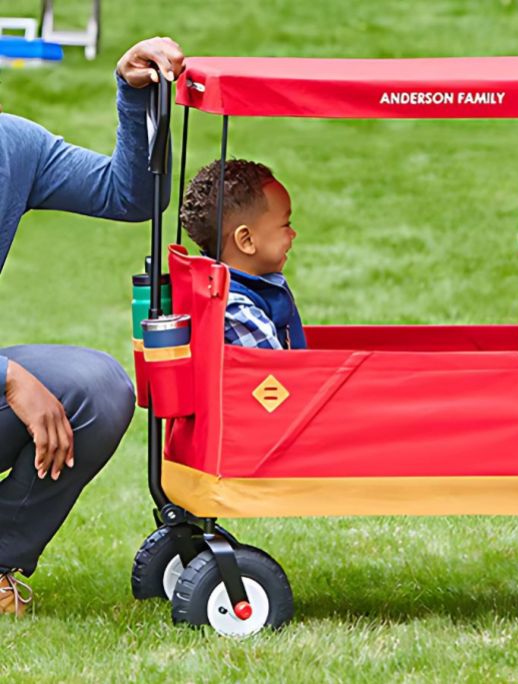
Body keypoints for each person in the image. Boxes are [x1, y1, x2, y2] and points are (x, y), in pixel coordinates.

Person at [0, 37, 186, 616]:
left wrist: (135, 97)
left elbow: (130, 195)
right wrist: (8, 378)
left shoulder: (12, 146)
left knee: (97, 392)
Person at [180, 160, 305, 350]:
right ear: (246, 240)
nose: (293, 233)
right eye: (285, 225)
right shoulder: (237, 311)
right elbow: (277, 373)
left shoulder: (257, 285)